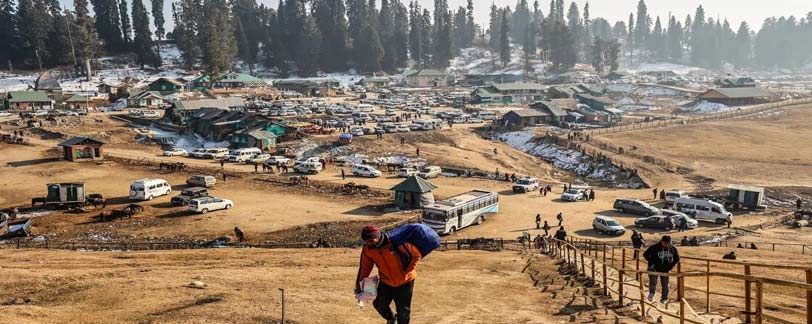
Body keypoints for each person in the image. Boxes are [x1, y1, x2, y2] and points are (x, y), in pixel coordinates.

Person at [356, 225, 421, 324]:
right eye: (366, 241)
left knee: (403, 312)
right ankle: (391, 319)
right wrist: (360, 286)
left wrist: (408, 270)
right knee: (379, 304)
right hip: (386, 281)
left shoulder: (396, 241)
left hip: (405, 281)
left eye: (370, 240)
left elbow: (416, 255)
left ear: (377, 236)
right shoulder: (368, 249)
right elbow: (365, 267)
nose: (368, 243)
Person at [643, 235, 680, 304]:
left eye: (668, 243)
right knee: (653, 282)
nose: (667, 245)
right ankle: (651, 293)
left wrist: (670, 267)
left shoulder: (673, 249)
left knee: (665, 285)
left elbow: (677, 259)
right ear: (662, 242)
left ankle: (664, 298)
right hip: (654, 269)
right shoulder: (654, 247)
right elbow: (645, 254)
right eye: (665, 243)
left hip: (666, 269)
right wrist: (652, 263)